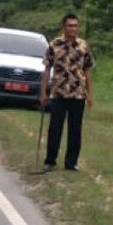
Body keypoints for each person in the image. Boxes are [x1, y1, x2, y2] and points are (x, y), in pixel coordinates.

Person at [39, 14, 94, 172]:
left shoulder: (83, 46)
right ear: (64, 27)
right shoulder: (54, 45)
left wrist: (89, 94)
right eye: (70, 25)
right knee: (55, 128)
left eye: (76, 25)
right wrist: (43, 92)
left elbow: (87, 70)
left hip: (77, 94)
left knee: (75, 130)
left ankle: (71, 162)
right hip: (59, 93)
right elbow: (46, 69)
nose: (73, 28)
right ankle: (50, 160)